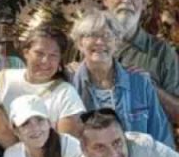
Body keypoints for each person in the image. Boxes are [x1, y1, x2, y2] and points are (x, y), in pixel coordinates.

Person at [71, 9, 174, 147]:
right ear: (79, 43)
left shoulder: (140, 83)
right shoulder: (69, 86)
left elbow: (162, 139)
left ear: (117, 42)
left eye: (107, 35)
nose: (100, 41)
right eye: (92, 35)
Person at [102, 0, 179, 125]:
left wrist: (151, 89)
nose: (126, 0)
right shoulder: (82, 46)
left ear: (144, 3)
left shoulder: (163, 53)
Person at [0, 13, 84, 137]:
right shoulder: (4, 78)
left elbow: (66, 144)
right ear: (26, 52)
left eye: (53, 55)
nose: (45, 61)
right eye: (39, 53)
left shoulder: (66, 94)